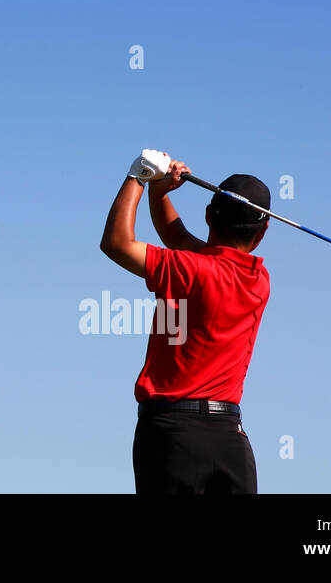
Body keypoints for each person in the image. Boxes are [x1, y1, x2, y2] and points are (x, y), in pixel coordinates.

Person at [98, 149, 272, 494]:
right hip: (229, 440)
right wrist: (157, 192)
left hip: (170, 436)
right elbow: (179, 240)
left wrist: (138, 176)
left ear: (208, 215)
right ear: (263, 232)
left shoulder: (185, 269)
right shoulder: (259, 280)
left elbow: (117, 244)